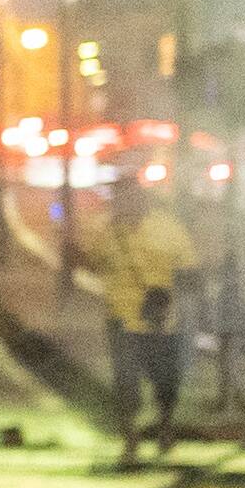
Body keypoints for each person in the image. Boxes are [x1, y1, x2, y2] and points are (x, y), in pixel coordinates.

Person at [93, 173, 197, 464]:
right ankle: (131, 440)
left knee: (165, 381)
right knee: (126, 381)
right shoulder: (108, 232)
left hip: (161, 321)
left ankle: (164, 427)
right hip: (122, 318)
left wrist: (170, 297)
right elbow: (94, 261)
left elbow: (189, 268)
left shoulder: (166, 228)